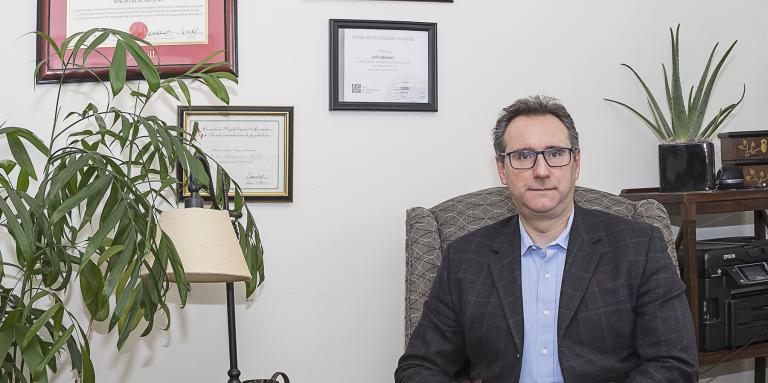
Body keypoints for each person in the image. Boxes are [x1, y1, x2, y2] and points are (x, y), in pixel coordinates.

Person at [395, 95, 698, 382]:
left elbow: (674, 365)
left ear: (576, 164)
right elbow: (420, 367)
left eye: (555, 154)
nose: (541, 171)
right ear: (502, 169)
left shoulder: (638, 247)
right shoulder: (464, 258)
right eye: (523, 156)